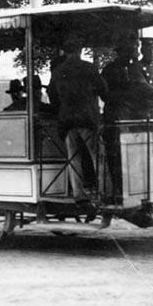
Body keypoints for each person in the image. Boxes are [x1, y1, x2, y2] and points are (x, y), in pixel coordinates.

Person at [100, 31, 153, 202]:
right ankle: (118, 191)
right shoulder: (111, 69)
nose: (134, 53)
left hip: (132, 116)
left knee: (137, 155)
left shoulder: (135, 67)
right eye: (130, 50)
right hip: (117, 116)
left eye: (135, 50)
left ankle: (136, 189)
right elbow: (105, 93)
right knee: (117, 154)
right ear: (121, 52)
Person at [48, 35, 108, 202]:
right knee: (97, 155)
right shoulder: (89, 68)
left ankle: (78, 194)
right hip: (87, 118)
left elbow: (51, 93)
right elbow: (103, 88)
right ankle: (103, 192)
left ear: (65, 51)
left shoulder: (58, 71)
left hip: (67, 120)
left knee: (73, 157)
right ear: (80, 50)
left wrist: (60, 107)